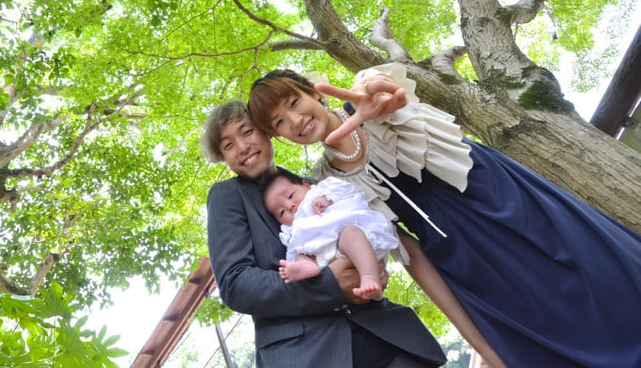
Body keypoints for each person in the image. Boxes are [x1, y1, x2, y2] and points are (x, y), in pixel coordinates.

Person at [247, 64, 641, 367]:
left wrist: (379, 96)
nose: (294, 121)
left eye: (294, 103)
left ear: (314, 91)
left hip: (506, 206)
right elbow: (409, 254)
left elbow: (386, 91)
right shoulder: (327, 184)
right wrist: (482, 344)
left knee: (609, 283)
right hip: (465, 261)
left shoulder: (365, 98)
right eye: (278, 122)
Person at [201, 100, 446, 367]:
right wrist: (330, 284)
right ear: (222, 157)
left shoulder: (317, 187)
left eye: (247, 131)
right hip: (307, 353)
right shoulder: (228, 195)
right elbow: (236, 284)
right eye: (228, 145)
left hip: (387, 337)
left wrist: (375, 266)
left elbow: (363, 224)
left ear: (265, 130)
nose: (243, 147)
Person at [261, 169, 398, 301]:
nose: (289, 205)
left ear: (306, 184)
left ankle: (369, 278)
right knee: (300, 255)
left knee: (350, 234)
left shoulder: (320, 191)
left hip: (353, 240)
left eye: (291, 195)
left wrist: (327, 198)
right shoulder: (290, 229)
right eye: (281, 212)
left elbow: (349, 190)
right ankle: (308, 267)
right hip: (326, 258)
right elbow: (293, 247)